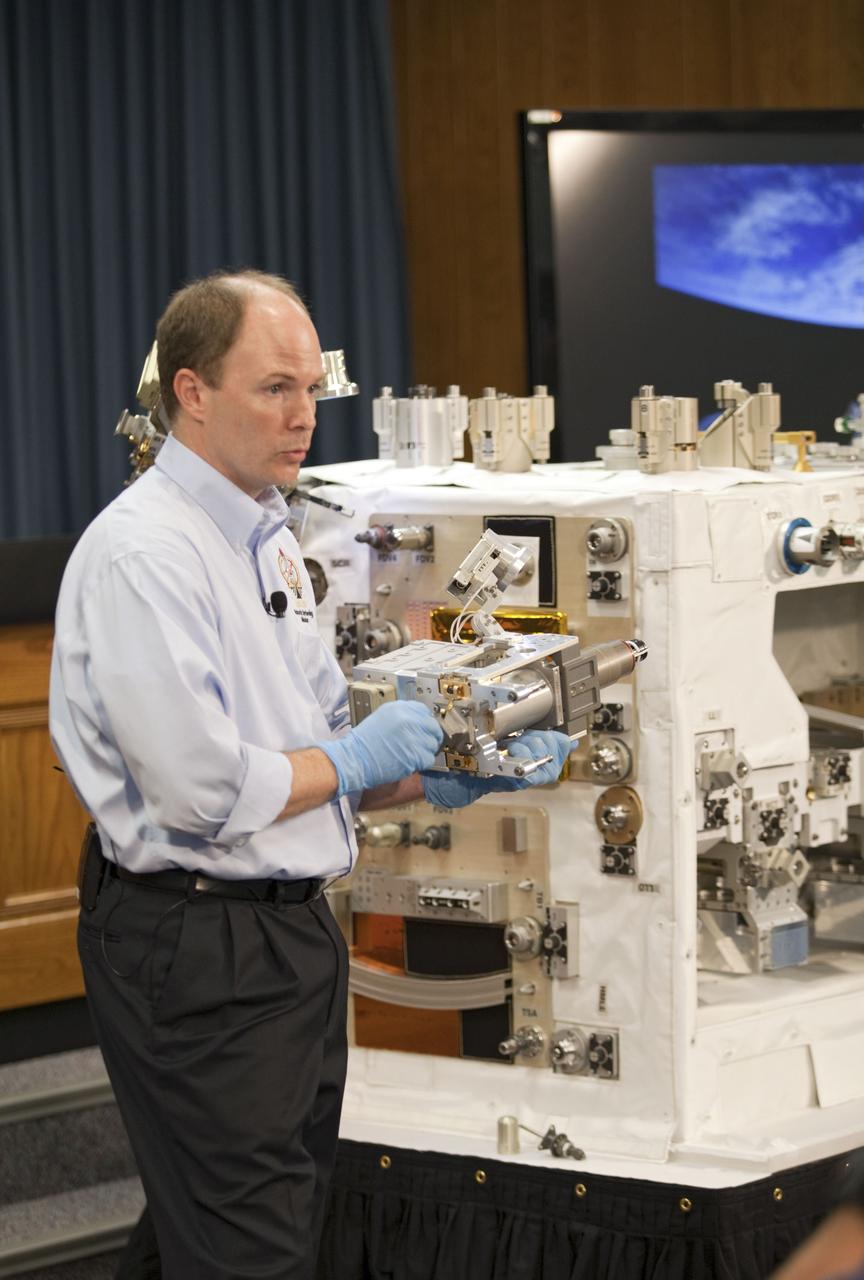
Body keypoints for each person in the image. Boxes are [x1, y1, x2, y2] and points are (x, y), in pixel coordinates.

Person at [49, 269, 571, 1280]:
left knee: (217, 1228)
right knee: (252, 1247)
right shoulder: (144, 556)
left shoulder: (271, 538)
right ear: (192, 392)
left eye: (311, 388)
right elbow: (204, 792)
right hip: (196, 940)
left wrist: (444, 774)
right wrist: (351, 757)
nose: (303, 417)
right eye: (274, 389)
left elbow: (315, 753)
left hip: (284, 934)